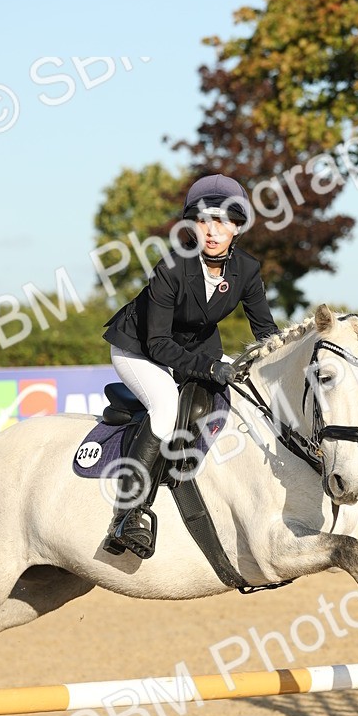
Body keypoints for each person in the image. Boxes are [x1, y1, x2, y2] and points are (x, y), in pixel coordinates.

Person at [101, 173, 280, 558]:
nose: (212, 231)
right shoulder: (171, 268)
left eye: (223, 221)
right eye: (203, 221)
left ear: (237, 227)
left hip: (196, 348)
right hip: (140, 349)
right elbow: (159, 343)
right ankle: (128, 515)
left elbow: (266, 332)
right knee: (165, 405)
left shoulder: (246, 270)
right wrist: (211, 368)